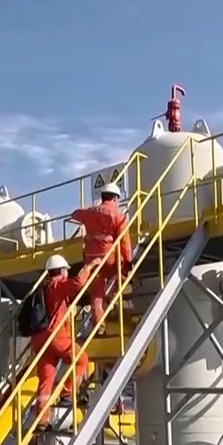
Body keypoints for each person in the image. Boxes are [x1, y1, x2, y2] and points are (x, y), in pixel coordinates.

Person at [31, 254, 101, 431]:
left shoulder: (43, 288)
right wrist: (90, 266)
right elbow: (77, 283)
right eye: (66, 270)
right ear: (62, 271)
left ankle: (42, 420)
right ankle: (67, 394)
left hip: (39, 339)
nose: (67, 273)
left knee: (46, 379)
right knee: (81, 359)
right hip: (55, 335)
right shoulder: (58, 285)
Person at [70, 182, 133, 330]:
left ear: (102, 197)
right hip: (109, 256)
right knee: (123, 272)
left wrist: (91, 210)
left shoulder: (90, 212)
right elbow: (124, 241)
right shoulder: (118, 215)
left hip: (91, 258)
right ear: (115, 198)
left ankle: (98, 324)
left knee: (96, 292)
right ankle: (113, 295)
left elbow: (74, 214)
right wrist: (129, 260)